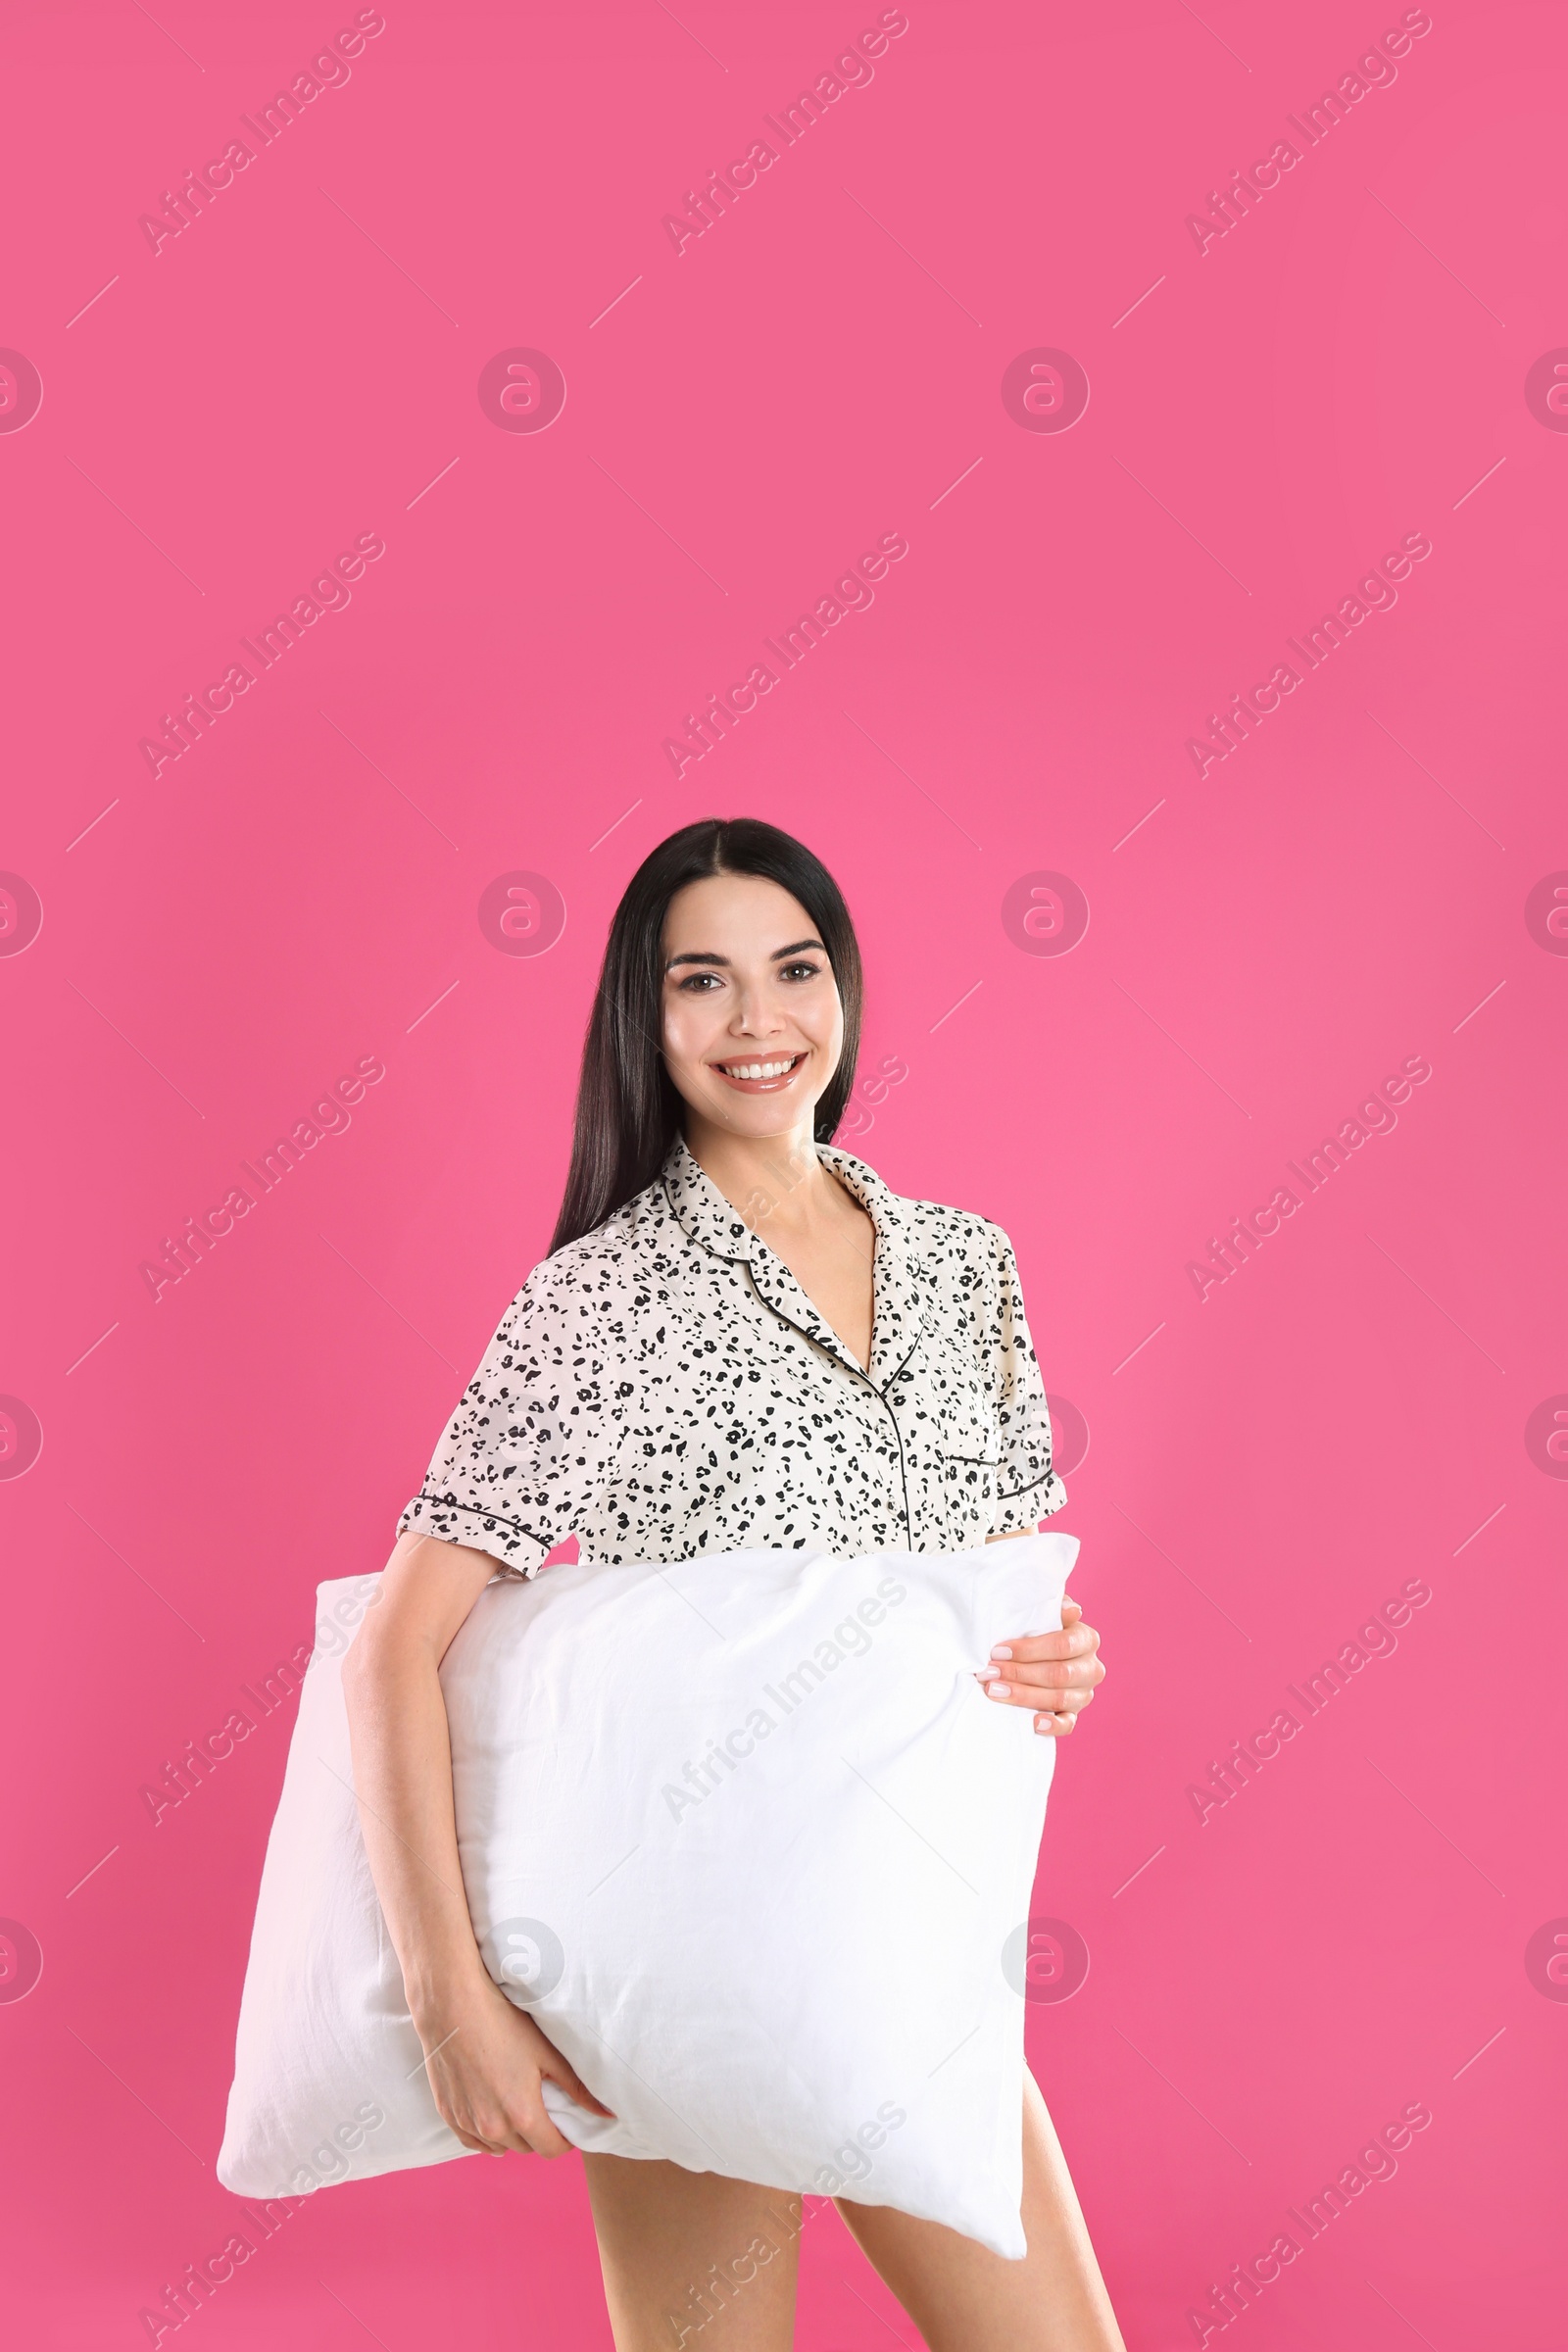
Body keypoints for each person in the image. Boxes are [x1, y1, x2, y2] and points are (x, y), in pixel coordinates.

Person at [343, 816, 1121, 2351]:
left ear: (844, 988)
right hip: (681, 1956)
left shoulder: (969, 1266)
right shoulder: (600, 1297)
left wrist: (1059, 1662)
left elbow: (991, 1602)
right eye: (703, 981)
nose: (760, 1022)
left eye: (795, 968)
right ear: (645, 1015)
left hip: (908, 1948)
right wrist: (452, 2005)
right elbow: (394, 1654)